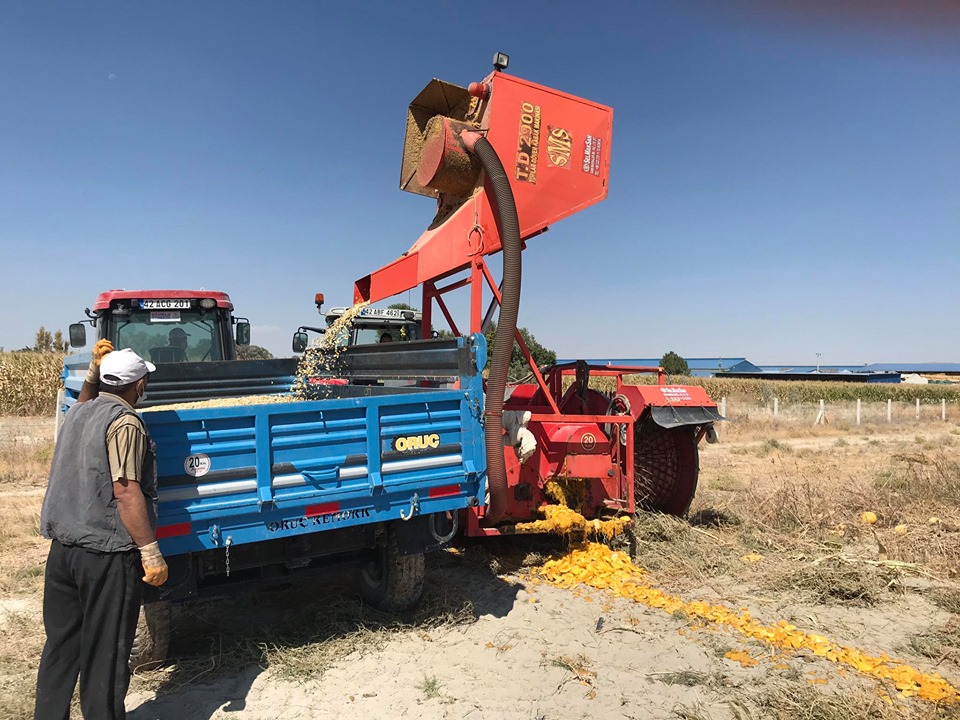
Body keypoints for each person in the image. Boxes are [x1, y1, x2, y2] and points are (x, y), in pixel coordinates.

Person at [35, 343, 169, 720]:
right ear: (139, 385)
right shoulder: (126, 423)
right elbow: (126, 492)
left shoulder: (78, 413)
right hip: (105, 556)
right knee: (106, 652)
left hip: (63, 553)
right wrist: (150, 551)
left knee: (62, 646)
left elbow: (86, 398)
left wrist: (93, 375)